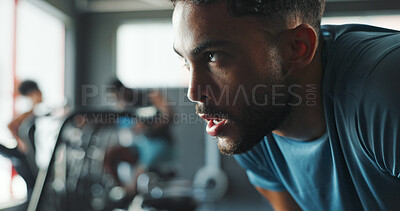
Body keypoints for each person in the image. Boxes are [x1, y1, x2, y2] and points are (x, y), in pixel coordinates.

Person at [170, 0, 400, 210]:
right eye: (185, 61)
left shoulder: (385, 90)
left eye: (213, 57)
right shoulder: (250, 123)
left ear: (296, 48)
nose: (194, 92)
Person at [103, 79, 174, 196]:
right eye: (115, 99)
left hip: (158, 143)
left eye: (119, 97)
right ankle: (122, 190)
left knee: (141, 168)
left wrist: (148, 126)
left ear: (124, 91)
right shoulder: (123, 107)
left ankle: (131, 192)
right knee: (110, 156)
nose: (119, 101)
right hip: (140, 145)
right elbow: (108, 120)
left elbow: (170, 115)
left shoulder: (151, 95)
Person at [3, 80, 42, 197]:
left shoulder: (38, 108)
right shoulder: (30, 112)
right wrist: (20, 142)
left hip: (32, 157)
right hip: (25, 156)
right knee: (32, 188)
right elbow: (11, 125)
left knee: (34, 188)